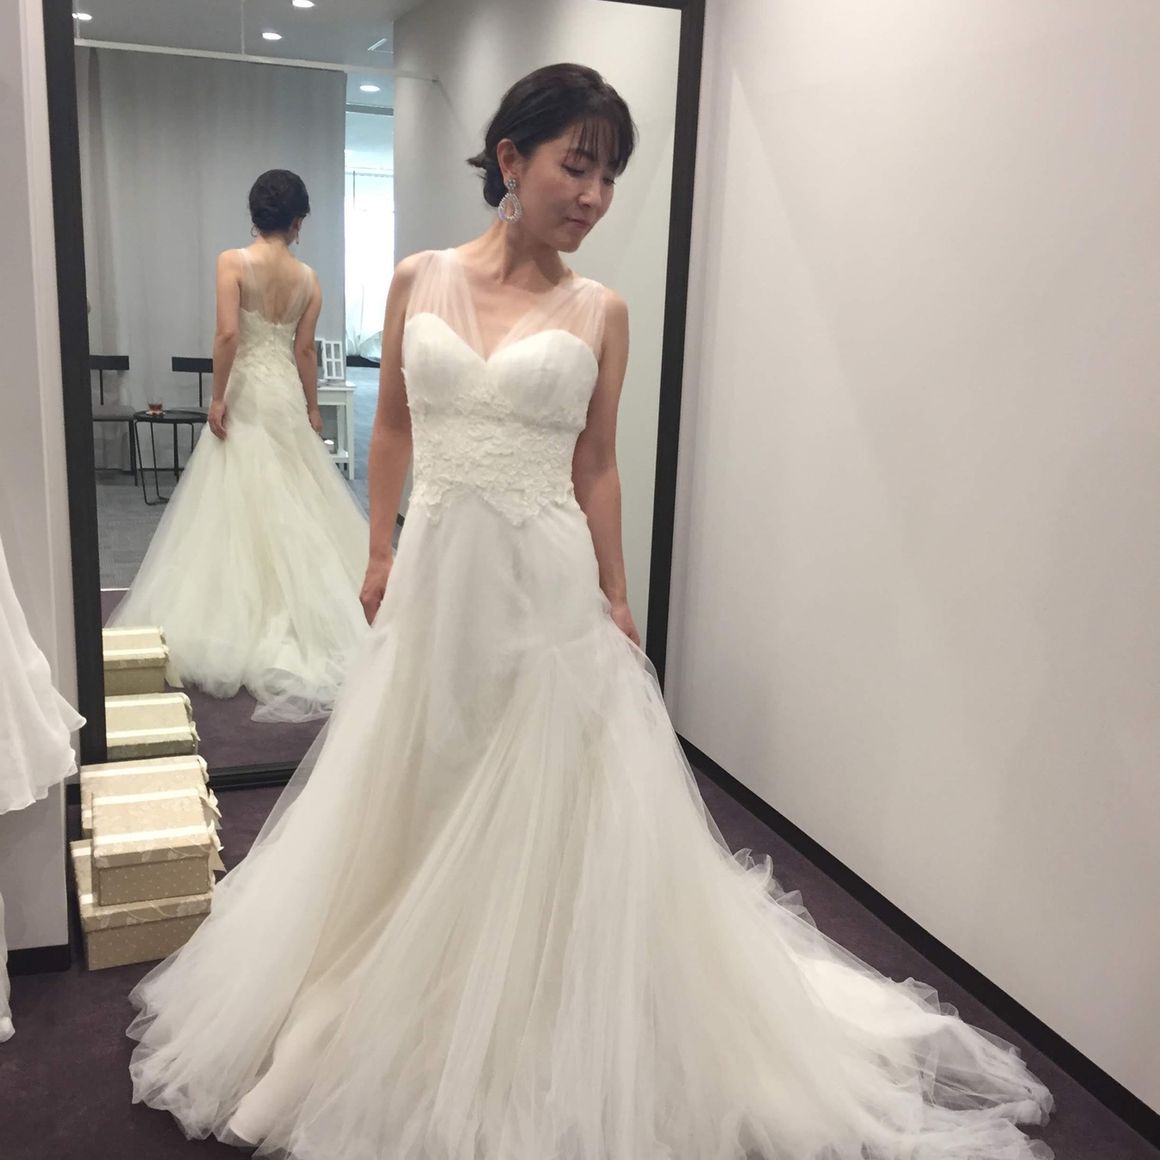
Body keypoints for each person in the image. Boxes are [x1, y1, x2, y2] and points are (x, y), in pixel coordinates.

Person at [125, 66, 1054, 1159]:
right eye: (577, 165)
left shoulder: (600, 309)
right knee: (423, 775)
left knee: (543, 796)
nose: (595, 195)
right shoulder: (419, 278)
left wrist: (616, 591)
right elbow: (394, 428)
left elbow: (599, 463)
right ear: (509, 159)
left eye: (610, 174)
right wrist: (377, 548)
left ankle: (522, 997)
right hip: (438, 578)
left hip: (545, 584)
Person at [107, 170, 369, 722]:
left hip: (248, 391)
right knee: (295, 496)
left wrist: (217, 397)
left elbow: (227, 335)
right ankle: (309, 611)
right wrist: (313, 407)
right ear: (298, 222)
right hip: (283, 394)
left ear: (255, 214)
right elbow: (304, 352)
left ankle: (236, 617)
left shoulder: (232, 262)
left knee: (233, 498)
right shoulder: (310, 279)